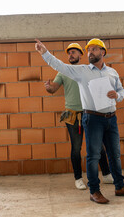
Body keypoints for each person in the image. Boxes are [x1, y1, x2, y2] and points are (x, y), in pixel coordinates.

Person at [35, 38, 124, 204]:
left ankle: (120, 186)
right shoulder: (82, 71)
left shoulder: (112, 72)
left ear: (102, 52)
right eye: (89, 50)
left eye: (94, 49)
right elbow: (60, 66)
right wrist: (45, 53)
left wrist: (117, 95)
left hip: (111, 119)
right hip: (93, 119)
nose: (90, 52)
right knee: (93, 156)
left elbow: (122, 91)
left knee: (115, 155)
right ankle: (94, 191)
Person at [44, 43, 114, 190]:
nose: (71, 55)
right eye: (69, 53)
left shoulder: (86, 70)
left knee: (98, 146)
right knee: (76, 147)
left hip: (90, 113)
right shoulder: (63, 72)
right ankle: (78, 178)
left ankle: (107, 174)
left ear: (81, 55)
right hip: (72, 115)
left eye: (74, 52)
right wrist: (49, 88)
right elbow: (54, 88)